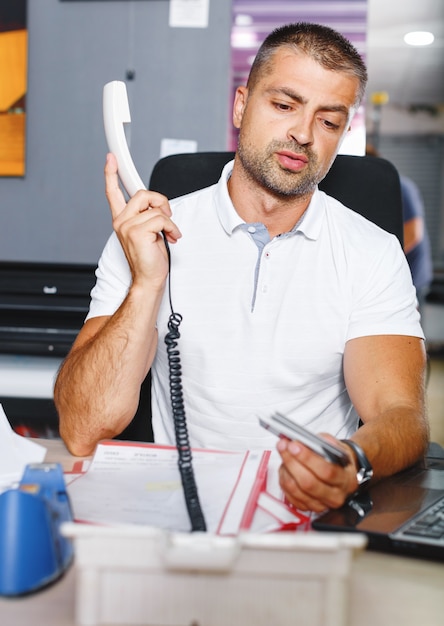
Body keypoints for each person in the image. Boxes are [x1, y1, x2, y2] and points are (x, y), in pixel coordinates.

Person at [54, 23, 429, 514]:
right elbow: (83, 431)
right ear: (240, 105)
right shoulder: (150, 233)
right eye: (284, 105)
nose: (302, 133)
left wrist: (352, 459)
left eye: (329, 121)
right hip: (175, 514)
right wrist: (148, 283)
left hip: (308, 516)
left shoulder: (373, 252)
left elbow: (401, 415)